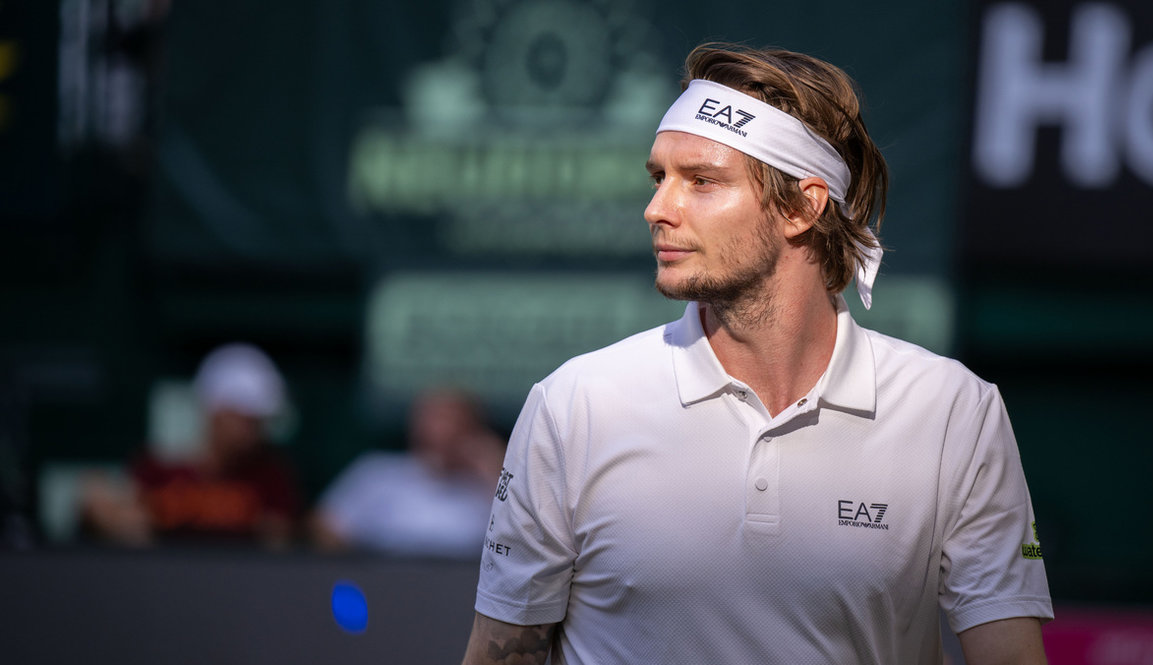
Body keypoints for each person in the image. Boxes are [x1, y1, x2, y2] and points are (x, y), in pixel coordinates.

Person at [460, 43, 1052, 665]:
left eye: (702, 181)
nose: (657, 209)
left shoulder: (955, 410)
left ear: (803, 206)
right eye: (660, 178)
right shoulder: (573, 404)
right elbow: (500, 654)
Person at [81, 343, 302, 548]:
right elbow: (129, 528)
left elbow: (277, 542)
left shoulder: (270, 476)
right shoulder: (157, 469)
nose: (254, 430)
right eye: (245, 419)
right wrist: (105, 513)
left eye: (259, 421)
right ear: (215, 413)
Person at [310, 388, 505, 558]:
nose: (442, 431)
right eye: (434, 419)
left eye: (454, 421)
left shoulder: (490, 483)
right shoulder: (378, 473)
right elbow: (324, 527)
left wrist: (495, 469)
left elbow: (514, 539)